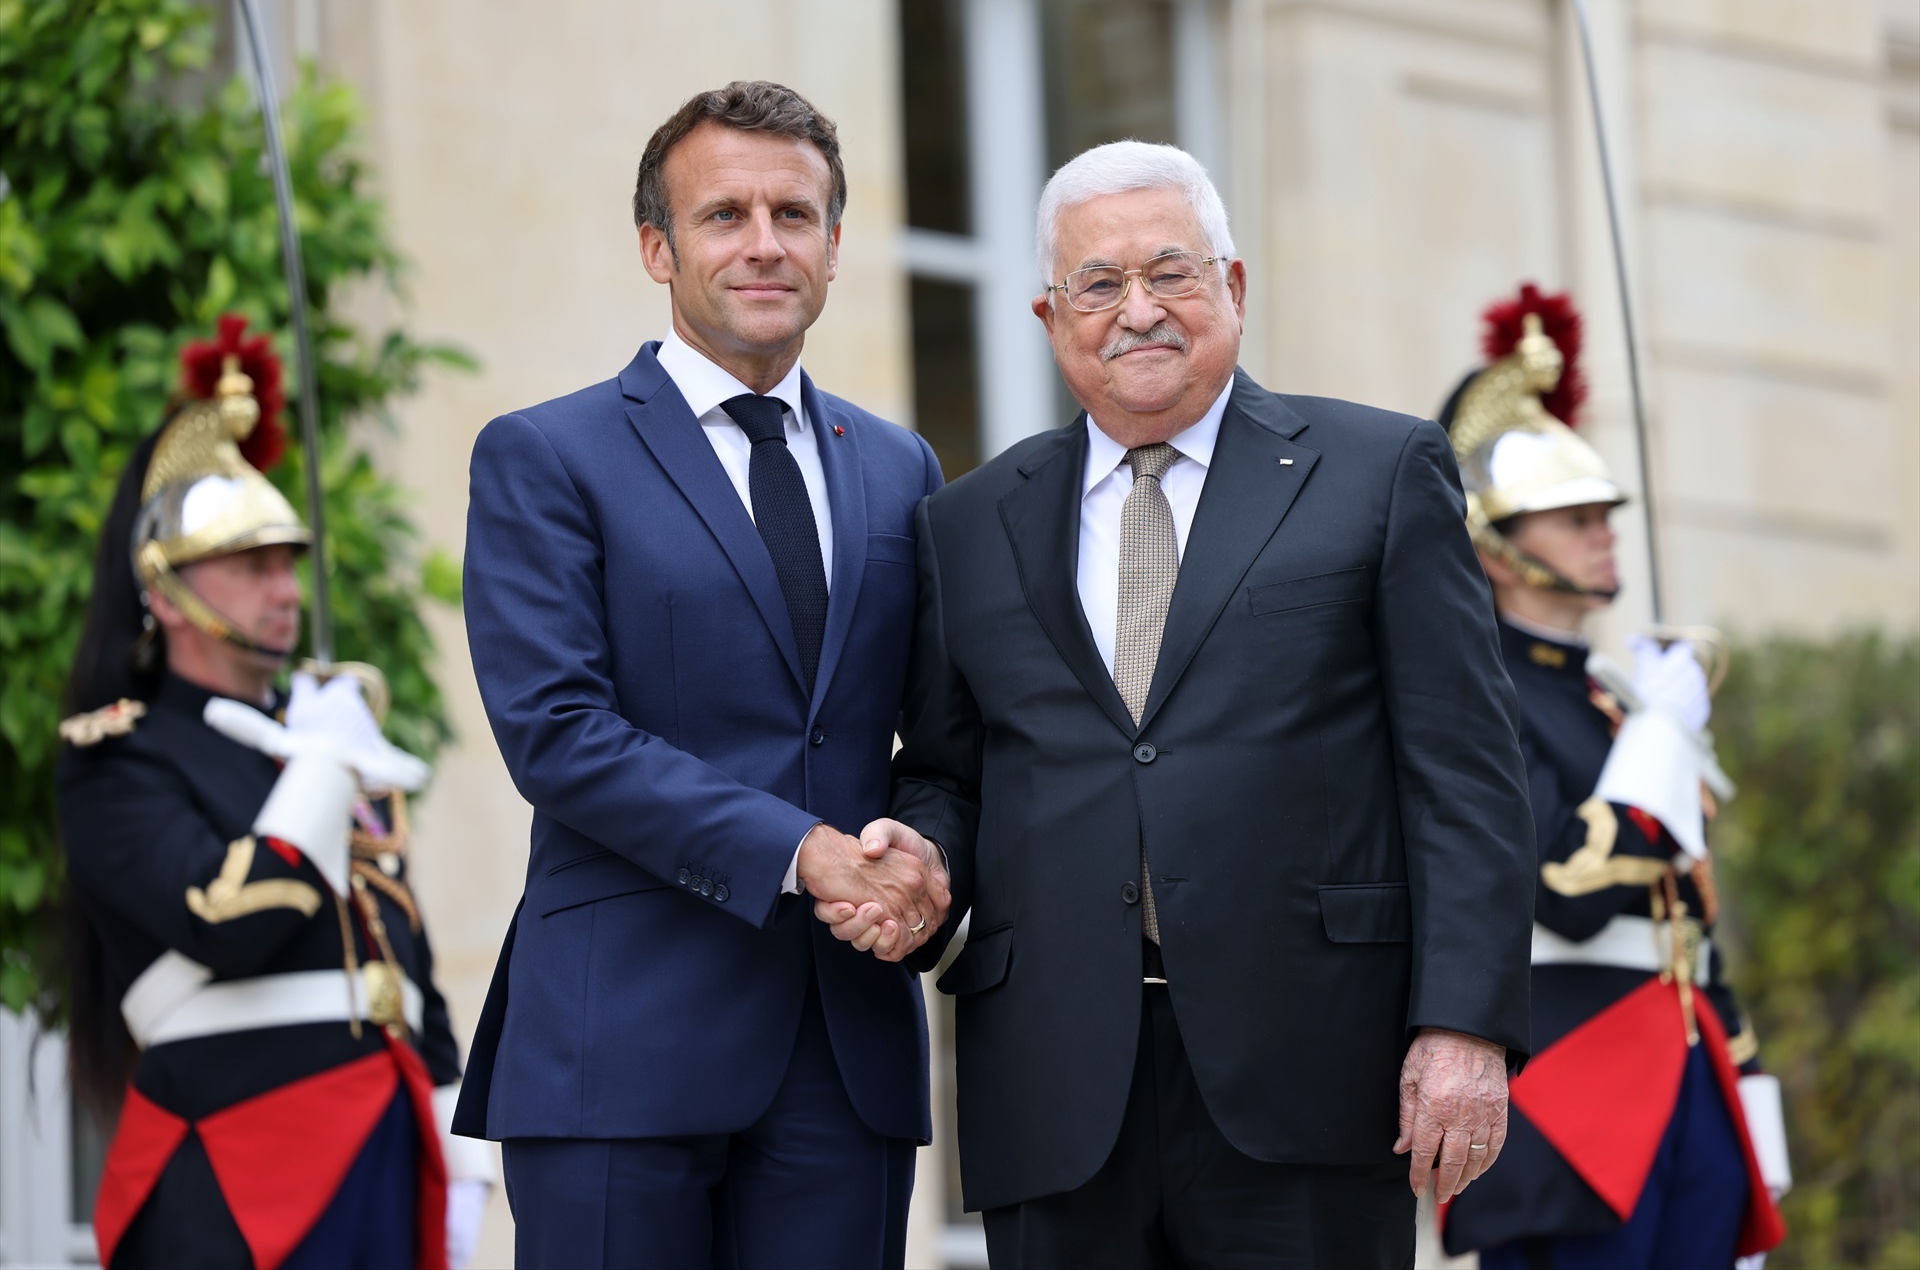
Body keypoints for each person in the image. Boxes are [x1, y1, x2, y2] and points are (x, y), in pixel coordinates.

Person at [825, 141, 1536, 1268]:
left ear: (1235, 288)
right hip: (1054, 1080)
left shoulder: (1379, 469)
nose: (1137, 309)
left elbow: (1465, 772)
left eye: (1173, 272)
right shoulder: (966, 523)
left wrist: (1464, 1023)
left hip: (1312, 1070)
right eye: (1099, 284)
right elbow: (953, 768)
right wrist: (921, 854)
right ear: (1051, 318)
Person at [453, 81, 948, 1269]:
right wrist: (799, 850)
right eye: (725, 213)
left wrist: (930, 857)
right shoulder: (546, 455)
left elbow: (944, 734)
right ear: (656, 247)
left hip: (846, 1044)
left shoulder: (900, 467)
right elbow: (558, 731)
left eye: (796, 212)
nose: (764, 242)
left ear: (836, 244)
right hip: (619, 1041)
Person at [57, 315, 493, 1269]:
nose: (285, 591)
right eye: (253, 568)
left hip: (386, 1145)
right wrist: (325, 769)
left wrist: (459, 1150)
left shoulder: (311, 741)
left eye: (289, 564)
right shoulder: (118, 758)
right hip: (234, 1164)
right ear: (167, 595)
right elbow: (227, 917)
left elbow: (399, 950)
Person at [1431, 285, 1789, 1268]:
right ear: (1494, 543)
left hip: (1689, 1076)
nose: (1602, 530)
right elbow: (1567, 887)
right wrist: (1661, 741)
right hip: (1568, 1093)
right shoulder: (1476, 686)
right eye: (1570, 514)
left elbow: (1693, 914)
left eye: (1602, 510)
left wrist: (1750, 1096)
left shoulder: (1619, 697)